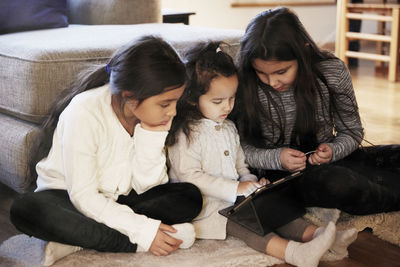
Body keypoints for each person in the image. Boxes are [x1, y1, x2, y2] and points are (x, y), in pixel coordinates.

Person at [10, 36, 203, 266]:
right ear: (130, 98)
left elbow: (148, 185)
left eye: (174, 103)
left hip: (120, 199)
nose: (172, 112)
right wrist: (143, 232)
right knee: (26, 209)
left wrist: (152, 135)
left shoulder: (151, 119)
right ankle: (131, 244)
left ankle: (78, 240)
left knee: (189, 197)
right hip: (70, 199)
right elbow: (83, 196)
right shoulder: (84, 112)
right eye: (165, 104)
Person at [166, 42, 357, 267]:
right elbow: (189, 176)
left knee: (271, 208)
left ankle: (321, 236)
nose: (227, 107)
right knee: (246, 223)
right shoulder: (185, 134)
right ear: (191, 98)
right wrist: (236, 189)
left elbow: (240, 165)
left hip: (235, 198)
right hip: (205, 207)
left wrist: (250, 182)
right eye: (217, 101)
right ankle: (294, 253)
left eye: (232, 98)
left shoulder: (228, 127)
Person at [234, 7, 400, 216]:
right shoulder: (243, 83)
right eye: (261, 73)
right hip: (280, 177)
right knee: (339, 184)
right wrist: (277, 158)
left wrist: (332, 151)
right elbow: (237, 150)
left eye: (281, 72)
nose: (272, 82)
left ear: (304, 52)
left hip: (332, 160)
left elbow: (352, 131)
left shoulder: (332, 71)